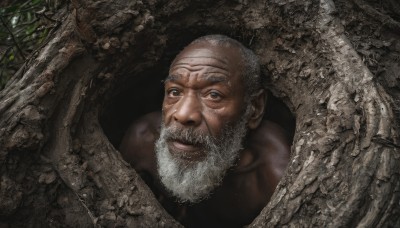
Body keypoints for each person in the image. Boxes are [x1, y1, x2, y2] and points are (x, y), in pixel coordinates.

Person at [119, 35, 291, 227]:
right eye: (175, 92)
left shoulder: (275, 177)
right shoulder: (144, 139)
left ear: (254, 108)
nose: (184, 114)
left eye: (214, 95)